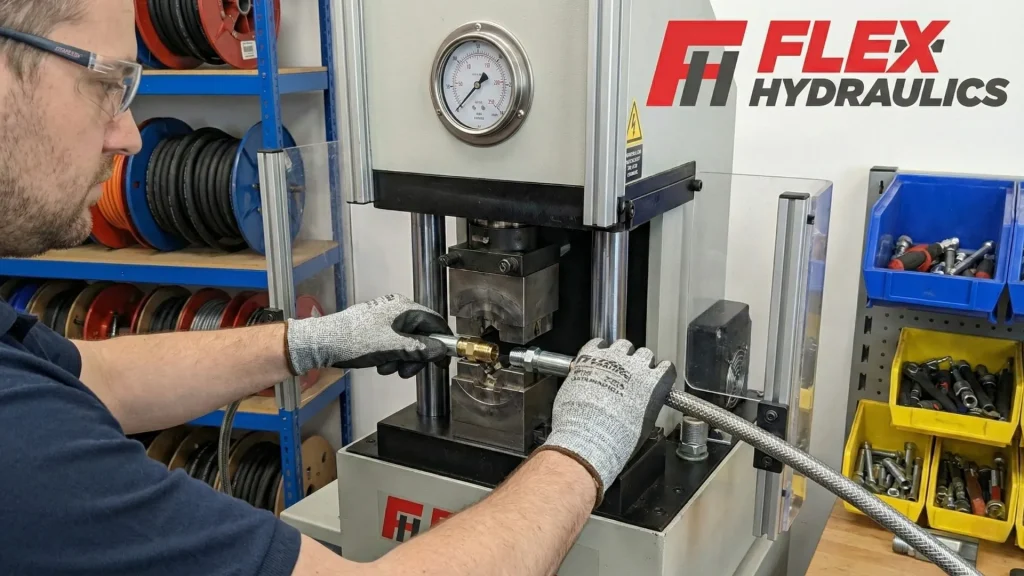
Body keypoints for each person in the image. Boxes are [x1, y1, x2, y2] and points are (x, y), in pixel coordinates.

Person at [0, 1, 676, 575]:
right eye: (107, 82)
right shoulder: (27, 451)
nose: (129, 134)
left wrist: (309, 341)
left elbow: (94, 378)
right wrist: (584, 449)